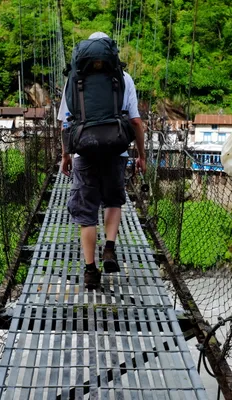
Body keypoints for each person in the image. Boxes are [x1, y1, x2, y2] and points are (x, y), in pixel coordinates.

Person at [58, 32, 146, 289]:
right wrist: (141, 155)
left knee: (86, 214)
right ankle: (109, 248)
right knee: (113, 200)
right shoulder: (123, 78)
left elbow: (65, 123)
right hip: (116, 150)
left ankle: (90, 271)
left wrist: (65, 155)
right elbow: (136, 122)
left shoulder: (74, 79)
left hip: (83, 151)